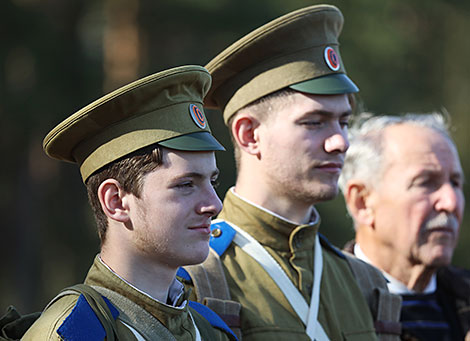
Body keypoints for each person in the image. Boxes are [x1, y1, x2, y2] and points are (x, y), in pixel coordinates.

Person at [178, 5, 401, 341]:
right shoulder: (195, 277)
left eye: (343, 122)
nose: (340, 141)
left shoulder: (365, 283)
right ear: (250, 134)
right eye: (314, 122)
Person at [22, 65, 237, 340]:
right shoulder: (72, 334)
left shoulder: (210, 330)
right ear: (116, 202)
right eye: (186, 185)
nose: (214, 205)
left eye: (213, 182)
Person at [339, 112, 470, 340]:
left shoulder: (464, 296)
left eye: (455, 183)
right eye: (425, 183)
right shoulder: (321, 304)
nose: (450, 202)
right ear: (362, 202)